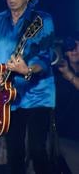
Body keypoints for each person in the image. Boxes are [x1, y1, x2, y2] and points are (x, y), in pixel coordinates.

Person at [0, 0, 55, 174]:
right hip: (7, 97)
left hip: (37, 94)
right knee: (14, 153)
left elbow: (46, 56)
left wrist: (27, 69)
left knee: (37, 149)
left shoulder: (42, 21)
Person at [53, 33, 79, 172]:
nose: (74, 49)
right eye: (70, 45)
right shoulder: (54, 74)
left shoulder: (69, 75)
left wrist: (70, 75)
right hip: (60, 139)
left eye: (77, 44)